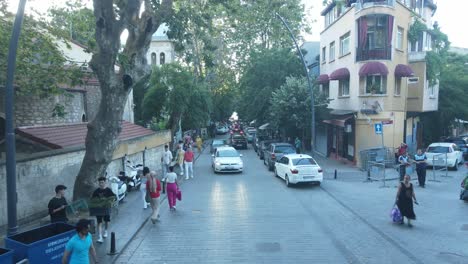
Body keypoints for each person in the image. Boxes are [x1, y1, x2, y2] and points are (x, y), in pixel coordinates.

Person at [92, 177, 116, 243]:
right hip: (99, 209)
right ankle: (100, 237)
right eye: (100, 183)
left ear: (105, 182)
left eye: (102, 182)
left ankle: (105, 231)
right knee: (99, 222)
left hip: (106, 209)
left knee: (106, 221)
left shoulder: (108, 190)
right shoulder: (96, 191)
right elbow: (93, 200)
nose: (101, 184)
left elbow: (114, 197)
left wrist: (111, 202)